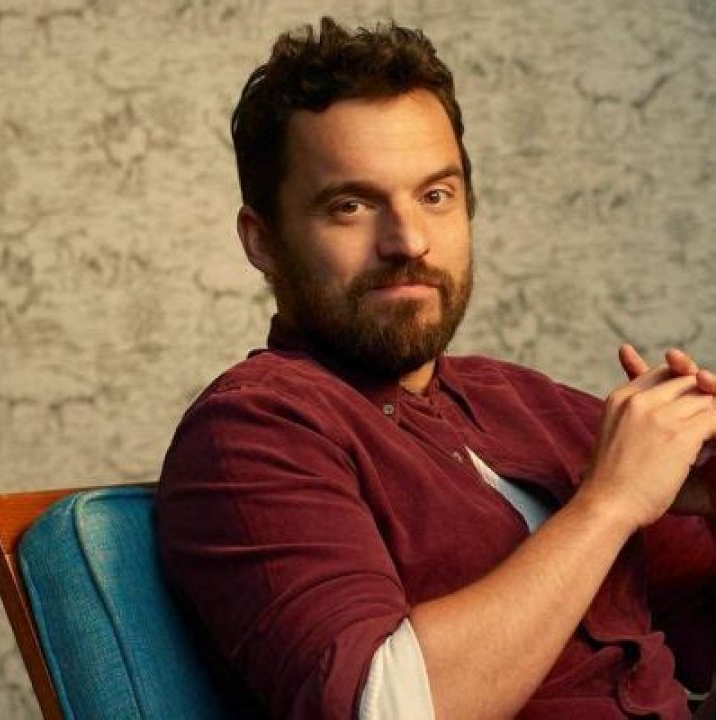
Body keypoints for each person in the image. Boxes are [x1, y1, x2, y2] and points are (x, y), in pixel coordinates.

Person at [155, 17, 716, 720]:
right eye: (351, 205)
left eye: (435, 195)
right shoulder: (252, 430)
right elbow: (381, 708)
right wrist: (609, 503)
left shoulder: (532, 402)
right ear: (262, 240)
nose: (409, 241)